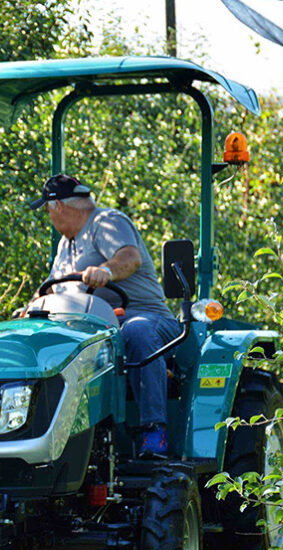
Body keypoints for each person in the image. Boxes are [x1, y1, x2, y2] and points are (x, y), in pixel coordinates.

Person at [30, 174, 181, 457]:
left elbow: (129, 258)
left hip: (142, 317)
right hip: (89, 327)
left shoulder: (107, 222)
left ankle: (154, 431)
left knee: (135, 332)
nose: (49, 218)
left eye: (47, 211)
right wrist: (29, 309)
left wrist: (107, 271)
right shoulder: (66, 246)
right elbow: (49, 290)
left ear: (58, 207)